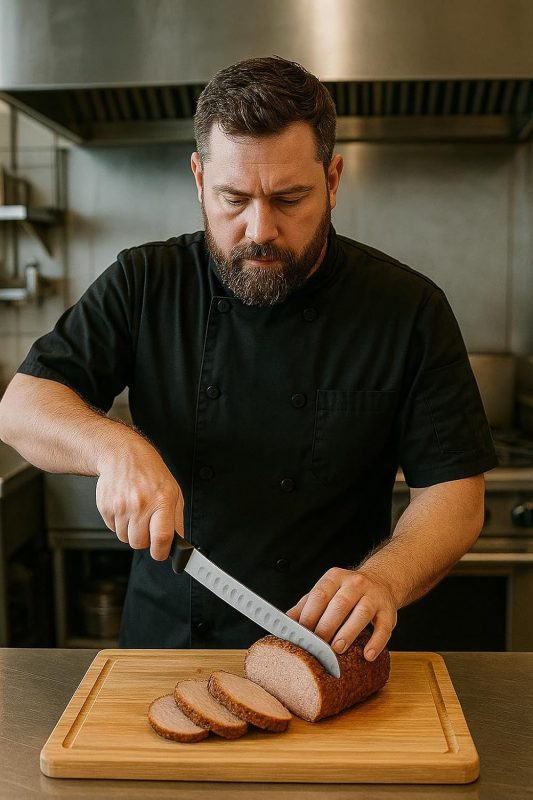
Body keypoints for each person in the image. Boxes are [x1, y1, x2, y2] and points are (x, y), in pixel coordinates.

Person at [0, 56, 497, 661]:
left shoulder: (407, 308)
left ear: (333, 179)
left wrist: (385, 580)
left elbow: (455, 497)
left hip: (330, 649)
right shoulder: (145, 282)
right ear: (199, 178)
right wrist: (113, 448)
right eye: (233, 199)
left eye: (290, 199)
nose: (260, 229)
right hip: (170, 649)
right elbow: (22, 407)